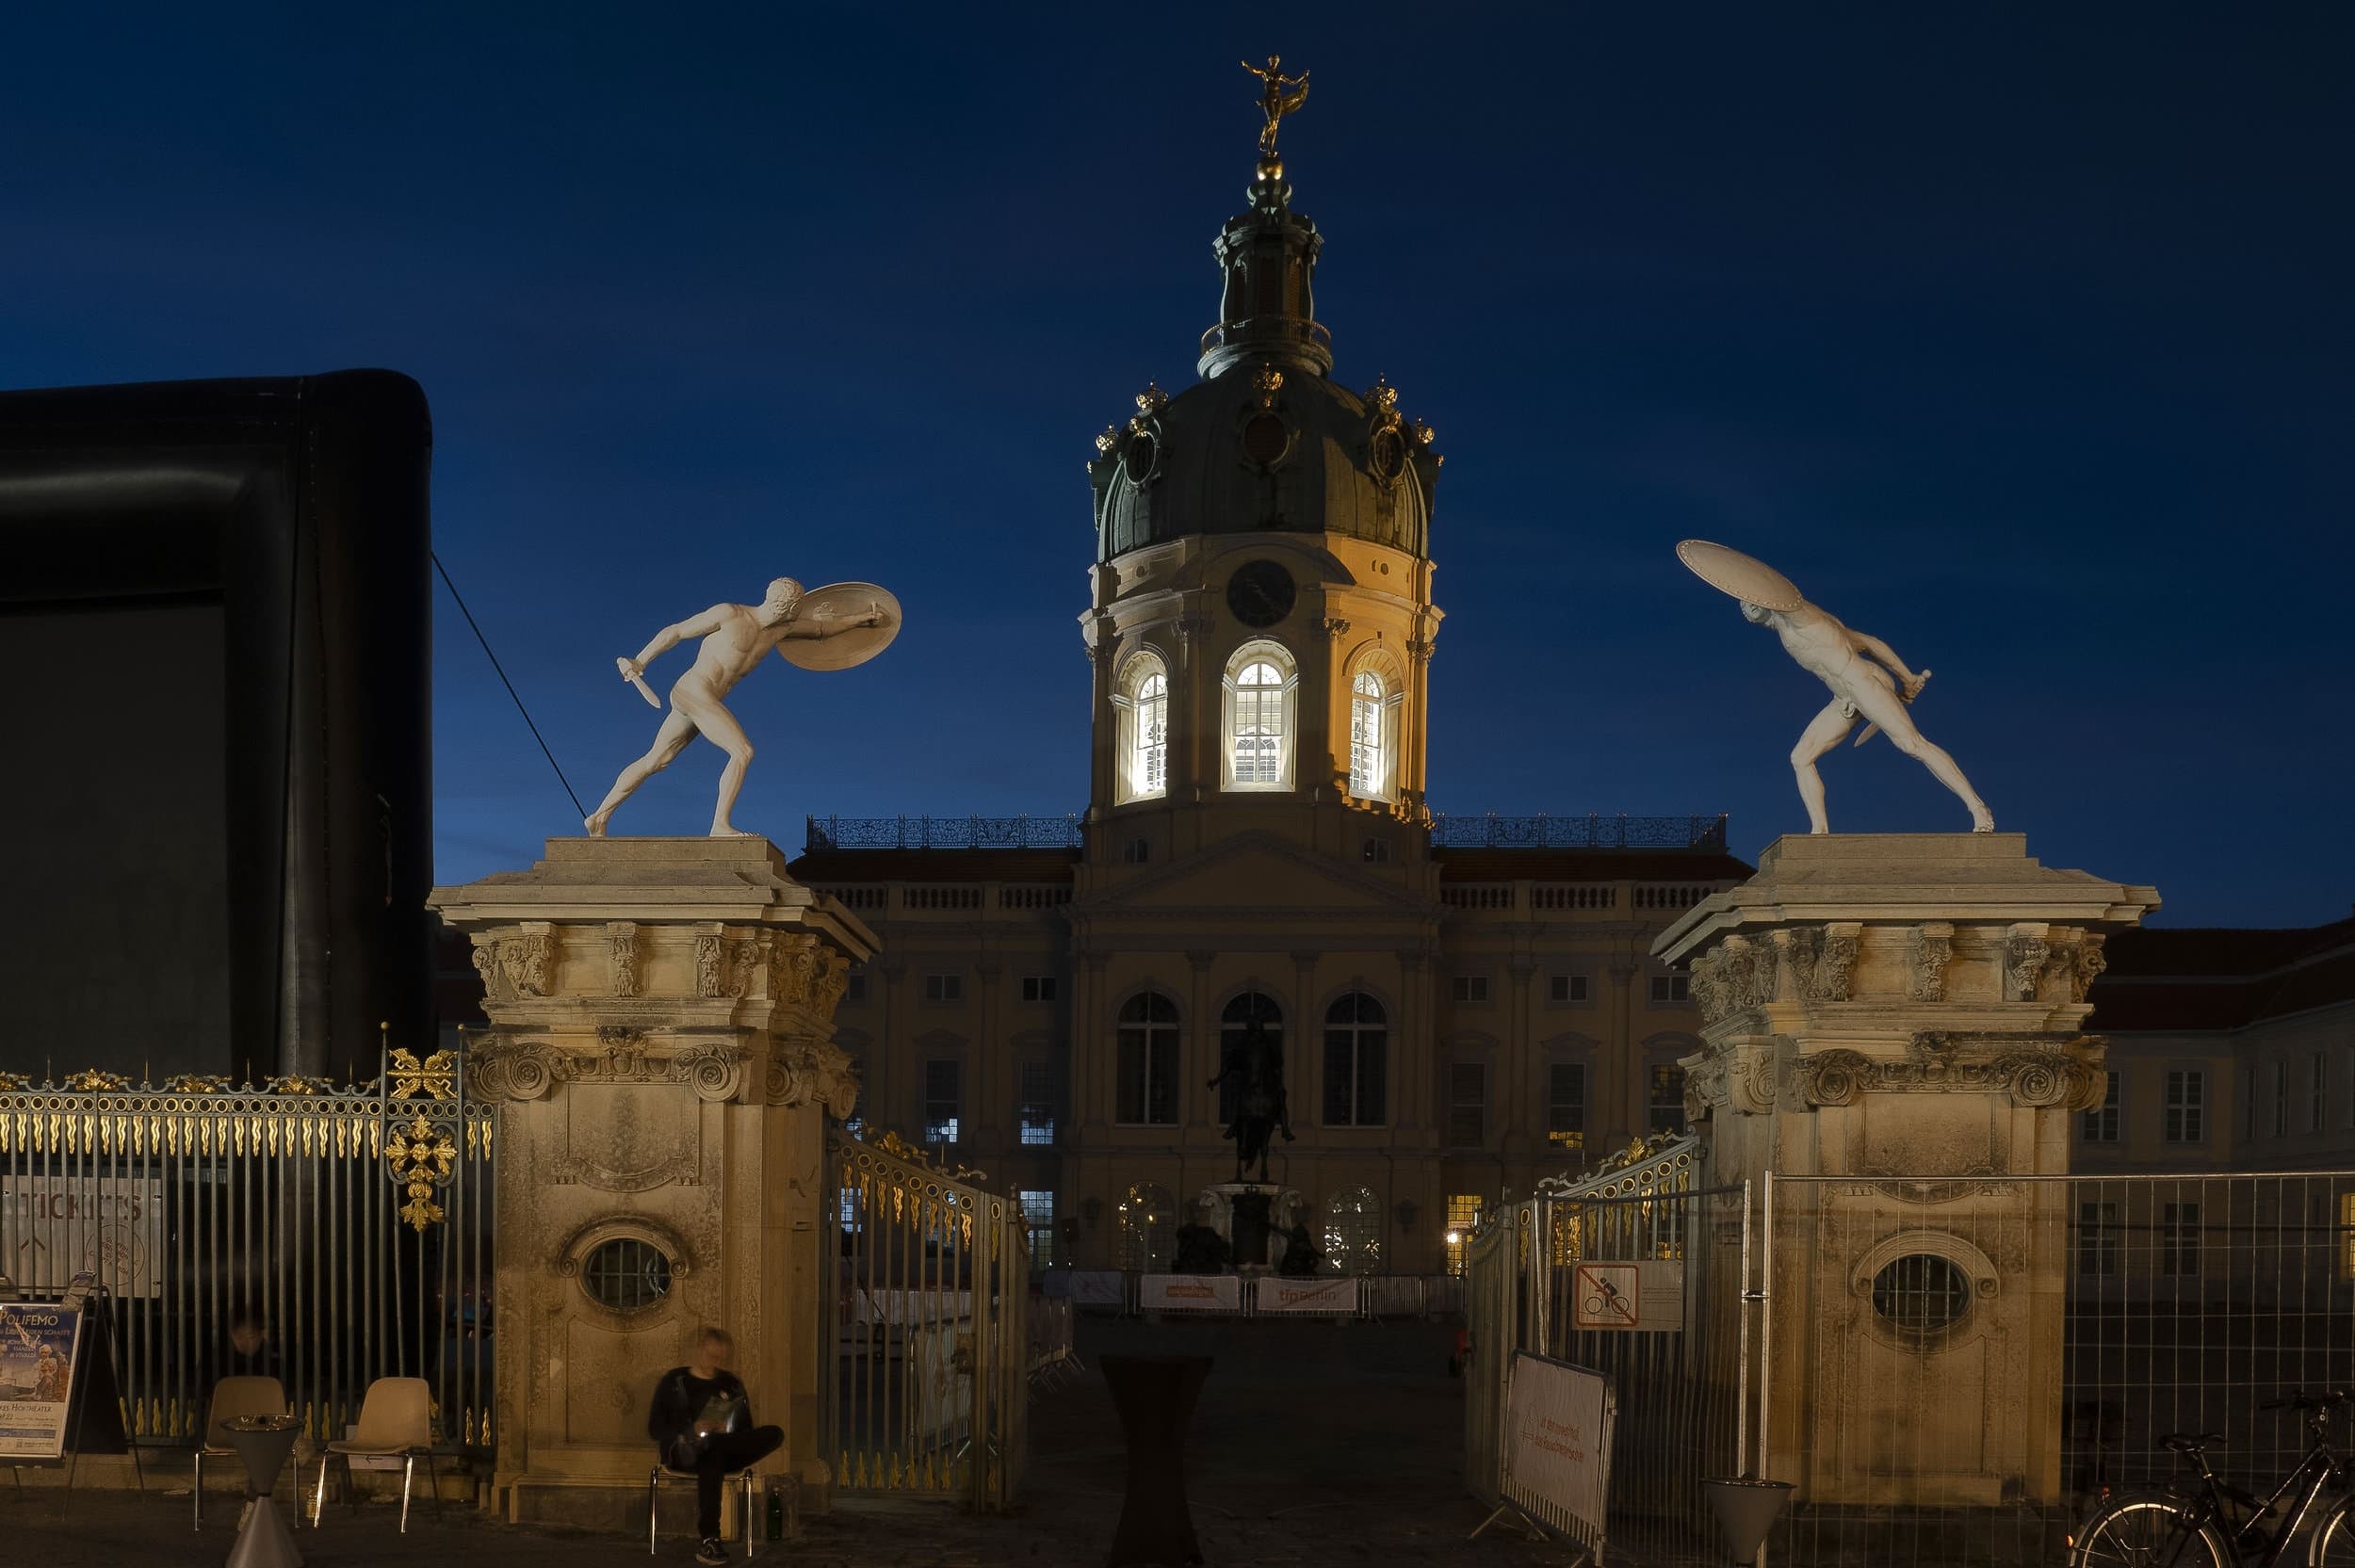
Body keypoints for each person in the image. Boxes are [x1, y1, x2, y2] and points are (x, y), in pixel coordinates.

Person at [585, 577, 885, 839]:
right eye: (796, 605)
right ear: (786, 604)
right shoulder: (730, 614)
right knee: (743, 751)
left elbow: (822, 628)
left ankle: (599, 817)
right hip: (694, 690)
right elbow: (676, 631)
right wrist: (641, 660)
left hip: (702, 699)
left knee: (655, 761)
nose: (796, 610)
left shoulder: (781, 629)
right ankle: (720, 825)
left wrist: (861, 618)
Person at [647, 1326, 783, 1565]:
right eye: (711, 1356)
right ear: (699, 1351)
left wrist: (727, 1427)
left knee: (774, 1433)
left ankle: (710, 1541)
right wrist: (693, 1428)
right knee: (712, 1452)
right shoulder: (675, 1382)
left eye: (720, 1358)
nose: (715, 1362)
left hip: (725, 1447)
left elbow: (746, 1429)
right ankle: (710, 1538)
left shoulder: (730, 1383)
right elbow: (655, 1429)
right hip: (685, 1451)